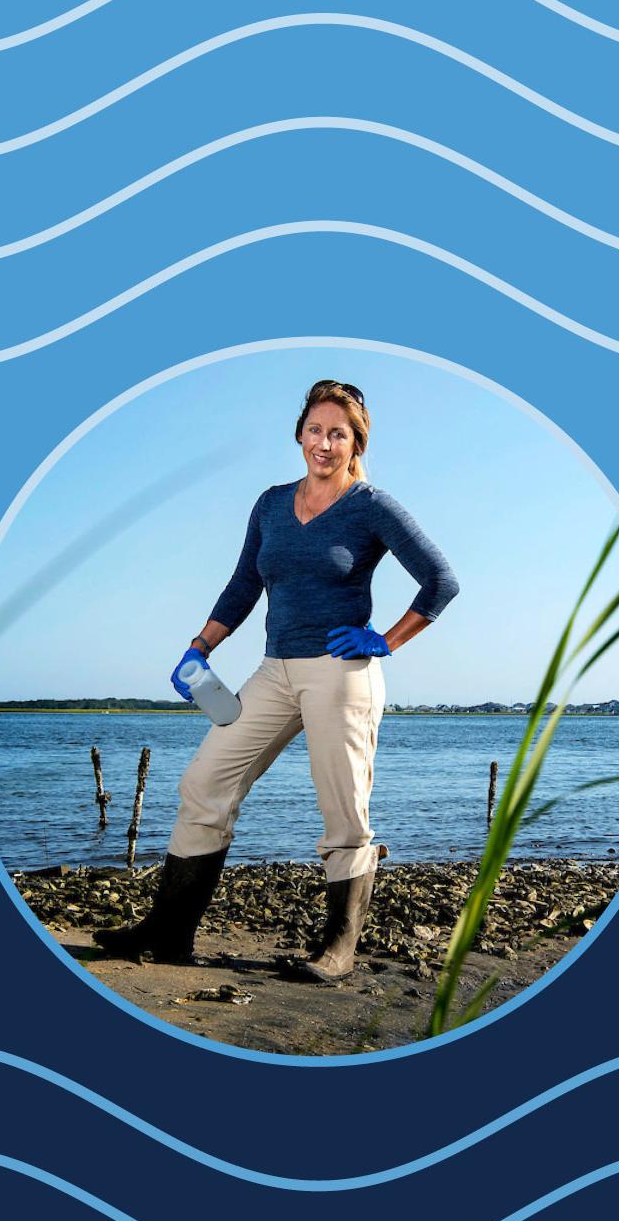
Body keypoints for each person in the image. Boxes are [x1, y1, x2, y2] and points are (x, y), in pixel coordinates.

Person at [95, 379, 460, 980]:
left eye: (338, 433)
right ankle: (168, 932)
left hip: (341, 674)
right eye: (315, 430)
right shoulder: (270, 503)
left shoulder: (371, 506)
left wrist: (384, 640)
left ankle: (338, 948)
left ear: (354, 442)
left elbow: (440, 581)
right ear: (299, 435)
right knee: (204, 782)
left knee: (343, 812)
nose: (324, 442)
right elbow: (244, 584)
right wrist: (199, 647)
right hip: (274, 670)